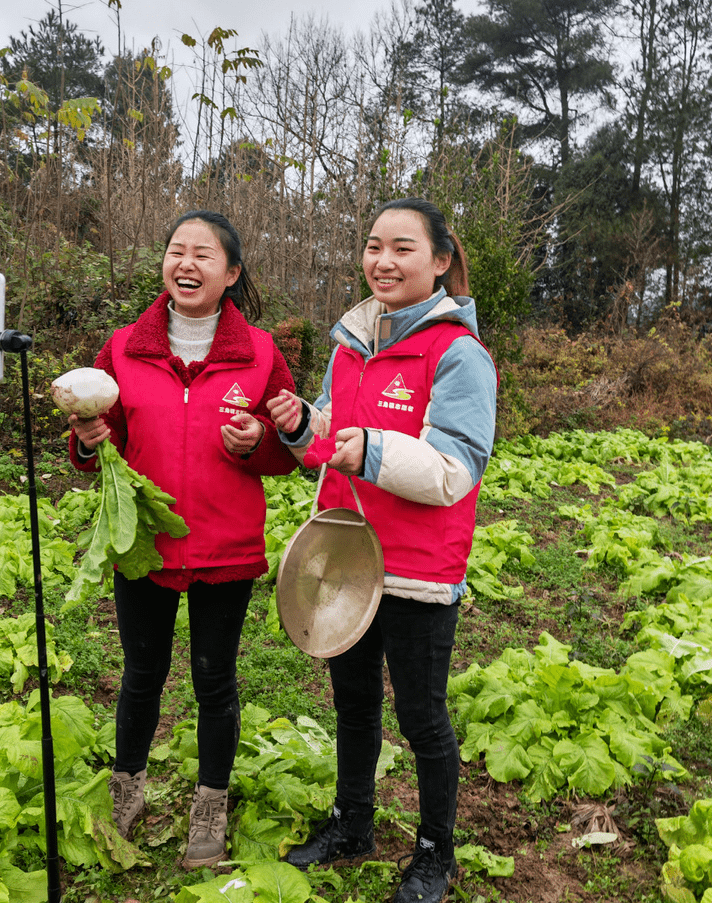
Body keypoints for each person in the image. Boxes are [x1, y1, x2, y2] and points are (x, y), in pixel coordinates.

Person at [267, 198, 498, 903]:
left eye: (403, 248)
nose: (383, 261)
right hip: (346, 556)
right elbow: (334, 439)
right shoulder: (351, 345)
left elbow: (455, 468)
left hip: (419, 570)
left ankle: (436, 850)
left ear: (438, 260)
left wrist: (370, 449)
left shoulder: (459, 354)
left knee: (422, 715)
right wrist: (303, 422)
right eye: (373, 246)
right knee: (354, 700)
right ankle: (353, 823)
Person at [68, 210, 297, 868]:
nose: (186, 263)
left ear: (231, 273)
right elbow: (94, 439)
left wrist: (260, 443)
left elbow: (290, 445)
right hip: (144, 545)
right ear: (164, 265)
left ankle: (209, 807)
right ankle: (127, 793)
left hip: (225, 549)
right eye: (176, 251)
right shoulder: (123, 348)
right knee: (141, 677)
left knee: (214, 680)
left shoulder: (259, 352)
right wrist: (88, 443)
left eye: (203, 254)